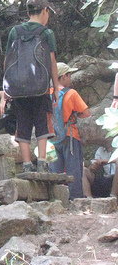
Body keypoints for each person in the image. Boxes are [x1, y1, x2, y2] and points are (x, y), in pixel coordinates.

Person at [6, 0, 61, 173]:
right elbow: (52, 61)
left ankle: (27, 165)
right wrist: (56, 86)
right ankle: (43, 162)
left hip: (18, 87)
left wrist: (6, 88)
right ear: (45, 11)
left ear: (28, 12)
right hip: (41, 87)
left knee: (22, 125)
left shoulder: (15, 32)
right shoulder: (47, 33)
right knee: (42, 124)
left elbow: (8, 60)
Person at [48, 62, 91, 199]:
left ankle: (57, 201)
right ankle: (76, 201)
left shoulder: (46, 94)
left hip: (51, 139)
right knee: (74, 173)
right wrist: (75, 115)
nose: (70, 78)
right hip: (70, 136)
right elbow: (87, 113)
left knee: (55, 173)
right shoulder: (71, 93)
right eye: (69, 75)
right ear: (63, 77)